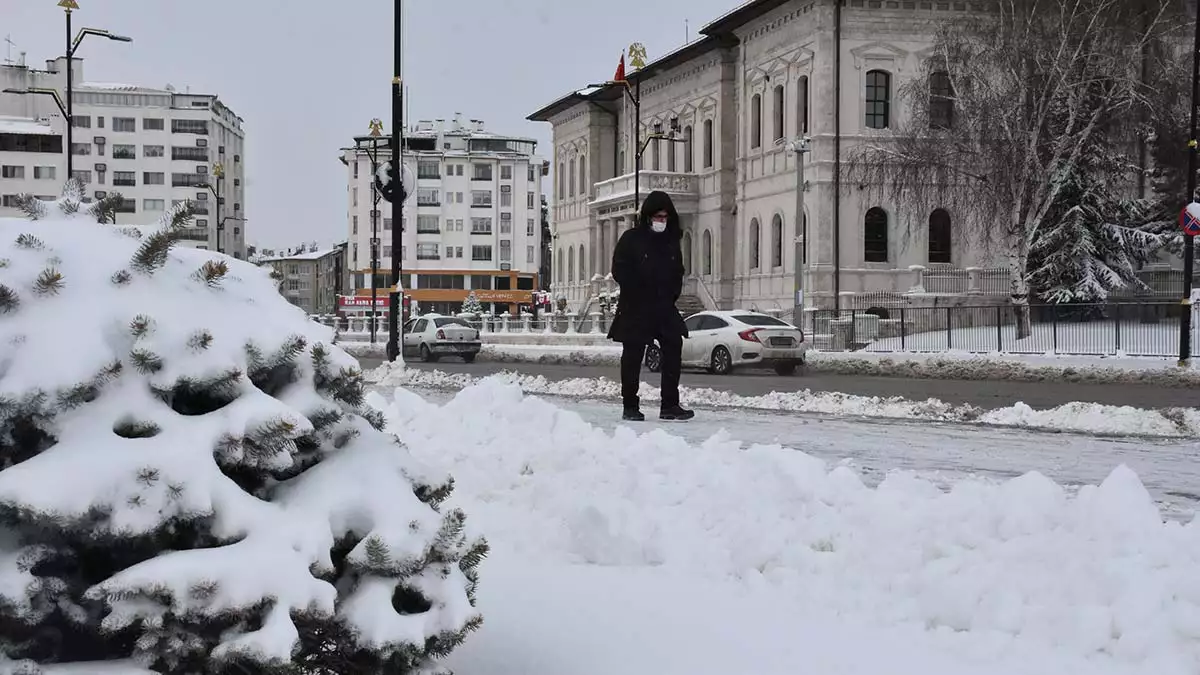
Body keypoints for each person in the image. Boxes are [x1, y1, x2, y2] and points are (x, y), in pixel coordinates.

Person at [607, 190, 695, 422]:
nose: (661, 222)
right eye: (657, 217)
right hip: (635, 306)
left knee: (674, 345)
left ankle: (670, 404)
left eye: (665, 217)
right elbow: (619, 269)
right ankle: (630, 405)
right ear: (647, 217)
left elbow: (678, 272)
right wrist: (637, 288)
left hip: (663, 306)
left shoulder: (671, 242)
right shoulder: (631, 239)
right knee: (633, 355)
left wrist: (671, 295)